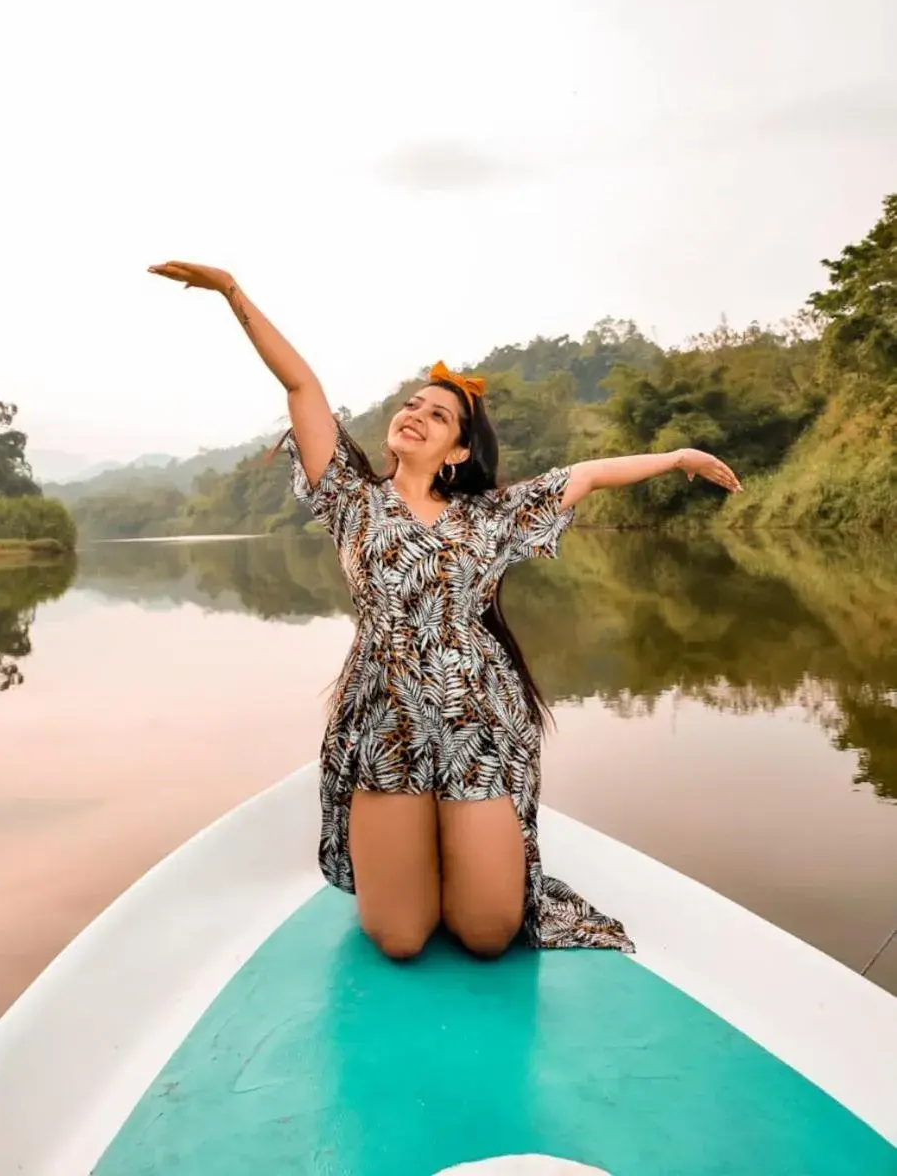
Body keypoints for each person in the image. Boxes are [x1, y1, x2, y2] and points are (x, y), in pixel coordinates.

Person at [149, 260, 743, 961]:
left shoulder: (491, 517)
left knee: (488, 935)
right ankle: (418, 841)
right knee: (400, 939)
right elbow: (302, 386)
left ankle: (456, 841)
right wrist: (233, 294)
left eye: (438, 414)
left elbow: (583, 475)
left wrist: (675, 457)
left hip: (477, 719)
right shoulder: (350, 500)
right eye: (411, 405)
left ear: (459, 449)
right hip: (386, 714)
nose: (416, 416)